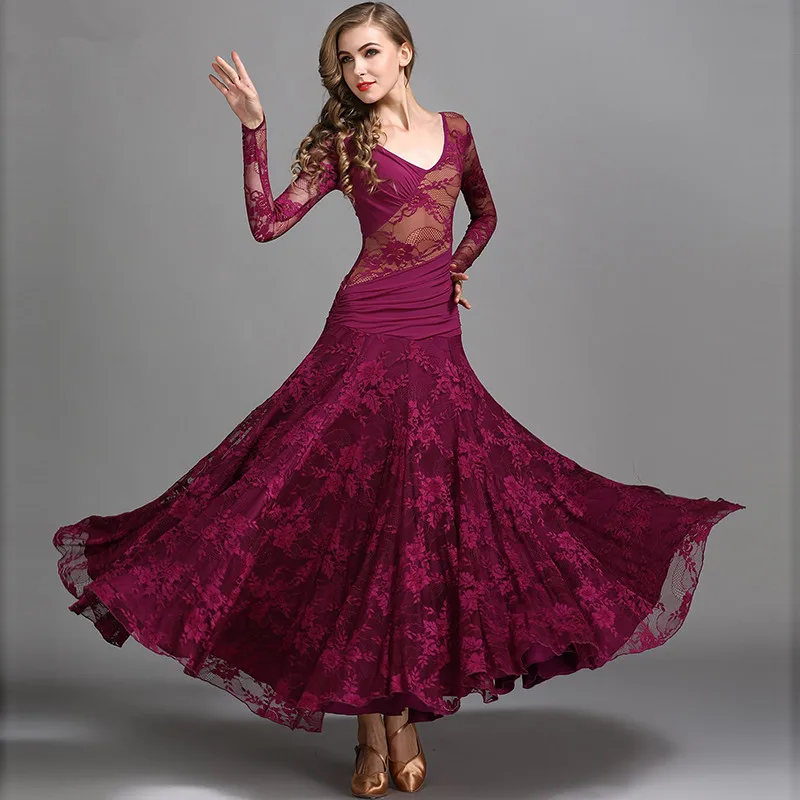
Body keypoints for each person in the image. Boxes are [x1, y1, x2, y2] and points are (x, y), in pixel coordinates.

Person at [52, 3, 745, 798]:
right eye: (347, 60)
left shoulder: (457, 131)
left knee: (425, 519)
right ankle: (379, 726)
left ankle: (392, 718)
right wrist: (254, 129)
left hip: (435, 340)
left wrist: (455, 268)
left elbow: (485, 214)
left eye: (372, 52)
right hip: (363, 335)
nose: (360, 70)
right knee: (350, 518)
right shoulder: (345, 144)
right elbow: (267, 224)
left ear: (406, 52)